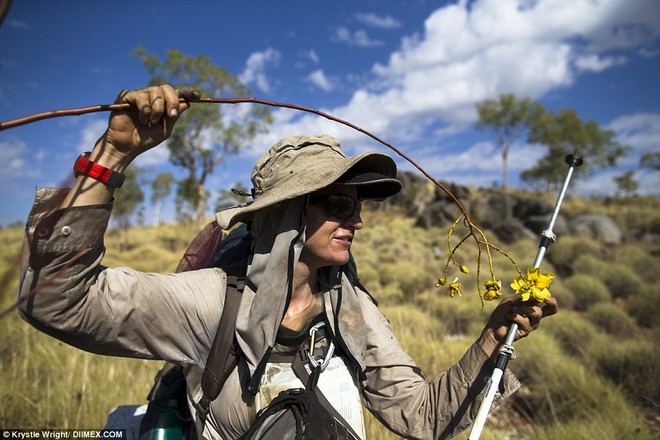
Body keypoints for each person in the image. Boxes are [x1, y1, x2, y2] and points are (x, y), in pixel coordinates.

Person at [17, 84, 558, 439]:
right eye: (340, 203)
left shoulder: (350, 308)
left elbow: (419, 416)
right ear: (289, 214)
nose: (358, 221)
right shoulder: (211, 303)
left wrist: (493, 336)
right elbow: (58, 301)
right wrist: (112, 157)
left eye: (358, 205)